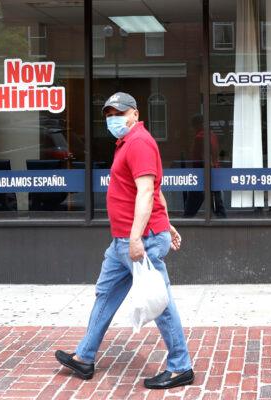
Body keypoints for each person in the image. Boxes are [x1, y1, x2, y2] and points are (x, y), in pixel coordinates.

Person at [54, 92, 194, 390]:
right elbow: (156, 189)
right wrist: (168, 224)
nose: (112, 119)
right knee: (105, 295)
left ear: (134, 113)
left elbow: (146, 193)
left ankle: (181, 367)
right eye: (107, 114)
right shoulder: (126, 143)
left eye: (118, 113)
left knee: (159, 303)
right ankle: (85, 357)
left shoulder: (140, 143)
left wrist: (136, 239)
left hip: (138, 240)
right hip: (121, 241)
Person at [183, 114, 226, 217]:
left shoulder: (200, 137)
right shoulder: (212, 135)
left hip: (202, 174)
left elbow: (203, 157)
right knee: (217, 203)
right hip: (214, 172)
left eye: (194, 126)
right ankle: (222, 220)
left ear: (198, 125)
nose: (193, 129)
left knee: (192, 205)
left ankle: (185, 222)